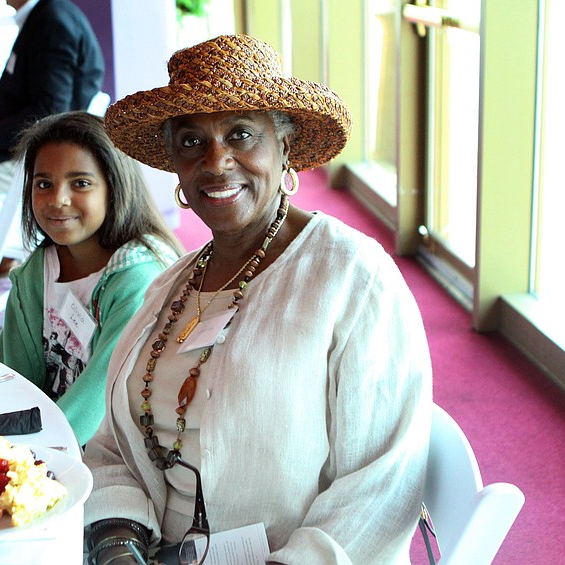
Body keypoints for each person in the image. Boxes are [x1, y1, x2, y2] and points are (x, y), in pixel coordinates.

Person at [82, 35, 433, 564]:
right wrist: (117, 544)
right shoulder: (170, 286)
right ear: (175, 164)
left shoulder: (352, 279)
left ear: (284, 146)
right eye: (191, 141)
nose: (217, 161)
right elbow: (113, 446)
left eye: (242, 134)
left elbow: (382, 483)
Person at [0, 111, 183, 446]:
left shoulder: (139, 280)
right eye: (43, 184)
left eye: (80, 183)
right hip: (45, 443)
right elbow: (13, 381)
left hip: (116, 451)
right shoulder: (36, 273)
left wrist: (19, 457)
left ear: (114, 187)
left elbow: (96, 402)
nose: (58, 199)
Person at [0, 0, 105, 203]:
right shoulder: (49, 13)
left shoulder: (52, 23)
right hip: (25, 145)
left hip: (38, 156)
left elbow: (50, 113)